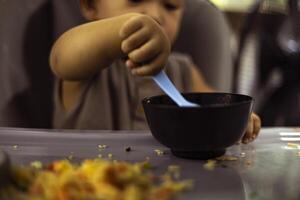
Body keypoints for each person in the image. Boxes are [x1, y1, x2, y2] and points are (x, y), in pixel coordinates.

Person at [50, 0, 261, 144]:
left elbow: (216, 110)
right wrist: (128, 26)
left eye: (170, 5)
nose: (154, 14)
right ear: (90, 4)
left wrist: (236, 120)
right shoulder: (86, 68)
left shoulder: (184, 71)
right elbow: (61, 58)